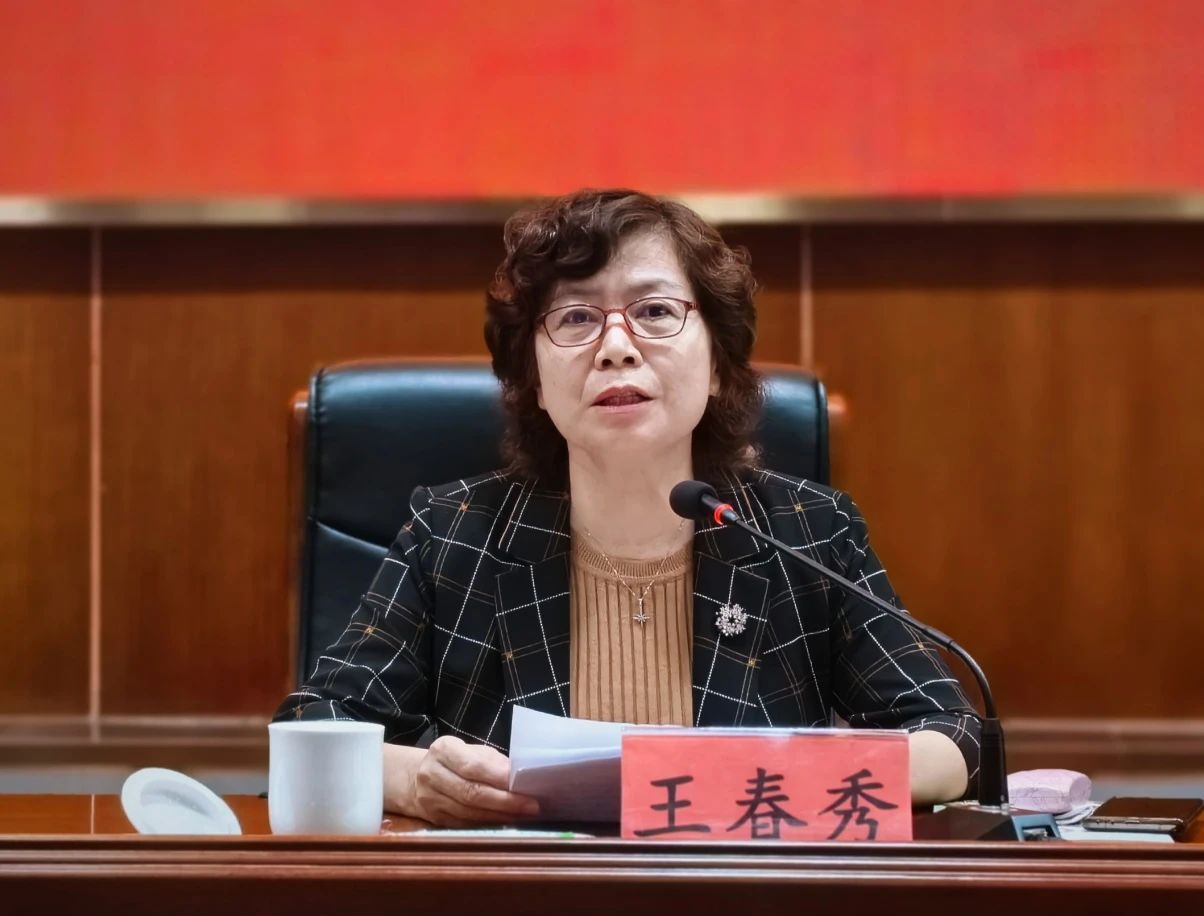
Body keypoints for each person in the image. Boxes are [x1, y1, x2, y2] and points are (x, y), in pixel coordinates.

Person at [274, 189, 980, 827]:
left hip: (744, 905)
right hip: (521, 906)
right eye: (577, 318)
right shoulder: (454, 535)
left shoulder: (807, 533)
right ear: (534, 381)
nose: (616, 348)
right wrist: (416, 779)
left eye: (654, 312)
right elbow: (314, 726)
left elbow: (951, 738)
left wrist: (763, 775)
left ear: (717, 364)